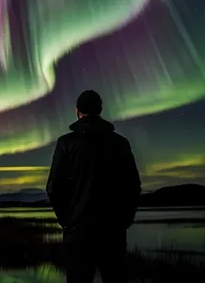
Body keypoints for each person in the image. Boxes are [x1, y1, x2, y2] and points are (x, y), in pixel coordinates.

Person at [46, 90, 141, 283]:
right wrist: (124, 220)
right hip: (112, 233)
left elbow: (53, 187)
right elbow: (133, 186)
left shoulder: (66, 143)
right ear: (100, 110)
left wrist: (67, 221)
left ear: (77, 111)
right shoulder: (120, 143)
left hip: (77, 233)